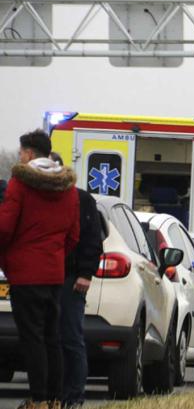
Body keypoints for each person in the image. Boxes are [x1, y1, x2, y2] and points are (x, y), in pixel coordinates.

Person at [0, 130, 79, 409]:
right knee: (51, 337)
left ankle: (39, 400)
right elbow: (73, 235)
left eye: (21, 152)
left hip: (25, 273)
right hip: (53, 274)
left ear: (30, 153)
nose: (19, 156)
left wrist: (8, 256)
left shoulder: (20, 184)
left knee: (32, 338)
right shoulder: (67, 189)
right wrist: (55, 256)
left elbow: (5, 227)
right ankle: (55, 399)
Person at [50, 153, 103, 408]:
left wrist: (85, 273)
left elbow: (92, 240)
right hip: (43, 278)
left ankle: (73, 396)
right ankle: (52, 395)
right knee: (48, 338)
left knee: (70, 337)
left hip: (71, 278)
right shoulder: (40, 198)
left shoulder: (80, 199)